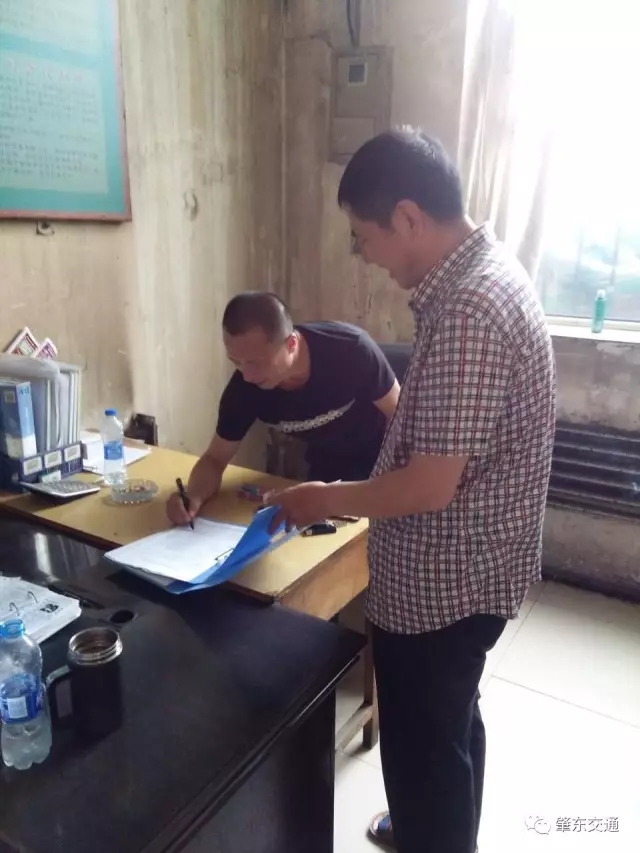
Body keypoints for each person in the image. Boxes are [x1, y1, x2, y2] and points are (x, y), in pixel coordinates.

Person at [266, 129, 556, 853]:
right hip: (473, 570)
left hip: (445, 587)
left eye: (365, 237)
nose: (365, 254)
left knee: (424, 746)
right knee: (450, 724)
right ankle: (437, 827)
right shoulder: (482, 277)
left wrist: (323, 497)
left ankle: (433, 832)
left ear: (407, 217)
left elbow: (429, 486)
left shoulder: (469, 311)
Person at [166, 291, 399, 525]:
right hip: (325, 469)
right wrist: (192, 496)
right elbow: (215, 459)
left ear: (291, 344)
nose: (247, 375)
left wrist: (387, 486)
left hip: (382, 461)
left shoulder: (351, 350)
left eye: (256, 362)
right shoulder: (244, 389)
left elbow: (401, 419)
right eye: (236, 362)